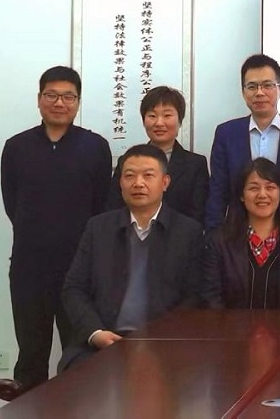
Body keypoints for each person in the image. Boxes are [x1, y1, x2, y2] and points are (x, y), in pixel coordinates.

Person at [0, 66, 112, 391]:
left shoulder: (95, 147)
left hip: (78, 271)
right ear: (39, 99)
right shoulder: (16, 147)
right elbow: (12, 204)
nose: (59, 103)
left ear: (77, 102)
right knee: (31, 354)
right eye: (51, 95)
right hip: (28, 268)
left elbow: (100, 207)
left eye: (68, 96)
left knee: (79, 355)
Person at [60, 144, 203, 370]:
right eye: (130, 176)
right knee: (75, 376)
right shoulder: (98, 228)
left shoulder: (188, 232)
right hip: (101, 344)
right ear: (120, 183)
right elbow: (74, 289)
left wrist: (159, 337)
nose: (138, 183)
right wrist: (95, 333)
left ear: (165, 182)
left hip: (164, 344)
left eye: (148, 175)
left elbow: (194, 296)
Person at [206, 54, 280, 229]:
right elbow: (217, 192)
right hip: (236, 235)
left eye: (267, 85)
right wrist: (213, 235)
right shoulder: (226, 134)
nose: (259, 92)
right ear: (243, 92)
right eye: (252, 86)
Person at [202, 158, 280, 309]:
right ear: (241, 195)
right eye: (254, 188)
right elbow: (212, 300)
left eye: (270, 187)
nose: (262, 194)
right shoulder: (219, 242)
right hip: (230, 325)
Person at [107, 86, 209, 223]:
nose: (159, 123)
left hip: (180, 235)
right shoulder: (127, 161)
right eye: (152, 116)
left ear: (180, 120)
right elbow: (113, 209)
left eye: (167, 115)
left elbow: (198, 214)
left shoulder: (195, 164)